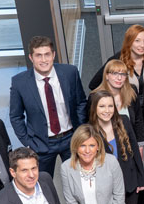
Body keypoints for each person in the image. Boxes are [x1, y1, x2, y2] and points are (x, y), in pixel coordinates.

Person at [88, 25, 144, 198]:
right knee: (129, 150)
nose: (142, 45)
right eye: (137, 40)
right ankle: (129, 186)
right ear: (129, 42)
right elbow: (94, 84)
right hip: (131, 112)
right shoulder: (117, 61)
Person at [9, 36, 88, 176]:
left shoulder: (70, 72)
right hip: (41, 143)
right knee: (42, 183)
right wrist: (28, 142)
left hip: (71, 137)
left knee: (78, 180)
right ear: (31, 57)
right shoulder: (19, 82)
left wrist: (80, 130)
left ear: (54, 55)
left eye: (47, 54)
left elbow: (81, 102)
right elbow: (16, 116)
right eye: (38, 55)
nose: (44, 60)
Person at [89, 91, 144, 204]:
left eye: (110, 106)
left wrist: (141, 179)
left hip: (129, 181)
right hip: (107, 188)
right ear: (94, 109)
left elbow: (135, 151)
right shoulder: (90, 130)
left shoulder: (123, 121)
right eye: (102, 106)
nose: (107, 110)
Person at [93, 59, 144, 204]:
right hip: (107, 166)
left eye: (123, 74)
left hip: (128, 151)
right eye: (115, 73)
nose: (119, 77)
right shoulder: (95, 97)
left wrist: (140, 144)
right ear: (107, 76)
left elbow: (138, 121)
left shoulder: (131, 93)